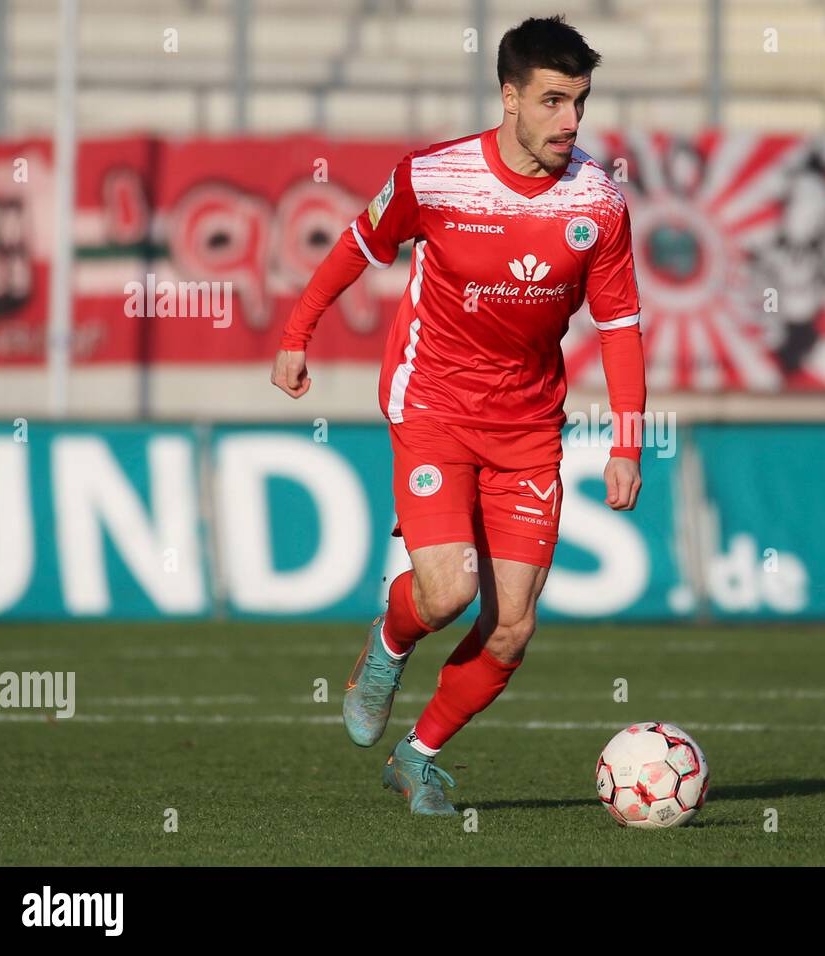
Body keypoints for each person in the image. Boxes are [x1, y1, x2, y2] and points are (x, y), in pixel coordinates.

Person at [270, 15, 646, 815]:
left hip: (530, 427)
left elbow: (619, 327)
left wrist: (626, 442)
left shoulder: (600, 203)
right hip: (434, 401)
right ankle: (388, 643)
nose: (570, 121)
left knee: (511, 628)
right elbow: (356, 245)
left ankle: (418, 755)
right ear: (509, 97)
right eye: (552, 101)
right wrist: (296, 336)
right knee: (444, 595)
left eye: (579, 101)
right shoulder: (435, 177)